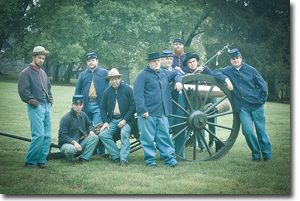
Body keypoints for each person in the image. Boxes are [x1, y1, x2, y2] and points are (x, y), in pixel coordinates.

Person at [211, 48, 272, 162]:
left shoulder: (251, 70)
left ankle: (267, 155)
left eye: (237, 58)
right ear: (230, 60)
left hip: (256, 105)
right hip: (242, 107)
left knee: (261, 131)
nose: (235, 60)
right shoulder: (228, 71)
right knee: (248, 132)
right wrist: (227, 80)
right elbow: (215, 72)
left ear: (241, 58)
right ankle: (256, 154)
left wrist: (261, 101)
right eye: (233, 59)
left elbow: (263, 86)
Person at [133, 52, 183, 167]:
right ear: (149, 62)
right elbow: (137, 95)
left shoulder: (163, 73)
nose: (157, 63)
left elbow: (176, 72)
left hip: (162, 112)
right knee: (148, 138)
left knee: (164, 136)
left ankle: (170, 159)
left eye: (158, 61)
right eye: (154, 61)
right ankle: (150, 162)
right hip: (148, 113)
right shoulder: (142, 75)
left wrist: (178, 80)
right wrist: (142, 110)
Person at [18, 46, 53, 169]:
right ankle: (30, 161)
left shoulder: (43, 72)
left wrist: (50, 100)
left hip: (46, 107)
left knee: (47, 136)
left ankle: (41, 161)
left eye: (43, 58)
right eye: (39, 58)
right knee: (39, 135)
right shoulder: (25, 72)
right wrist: (35, 103)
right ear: (33, 57)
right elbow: (23, 92)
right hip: (36, 107)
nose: (41, 60)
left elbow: (48, 87)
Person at [99, 68, 136, 166]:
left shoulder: (127, 89)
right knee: (103, 135)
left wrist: (125, 120)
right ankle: (116, 156)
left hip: (127, 120)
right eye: (111, 79)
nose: (114, 81)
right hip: (113, 120)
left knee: (124, 133)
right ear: (109, 81)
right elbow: (102, 108)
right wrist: (105, 122)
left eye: (116, 79)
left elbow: (133, 106)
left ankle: (124, 160)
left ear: (119, 78)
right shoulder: (107, 91)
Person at [75, 52, 108, 156]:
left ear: (97, 61)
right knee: (87, 128)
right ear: (87, 62)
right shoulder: (83, 74)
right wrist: (77, 105)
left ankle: (100, 151)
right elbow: (78, 91)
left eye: (93, 60)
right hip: (85, 105)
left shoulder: (104, 73)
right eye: (89, 61)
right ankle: (91, 149)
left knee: (99, 128)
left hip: (99, 105)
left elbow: (115, 81)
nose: (91, 62)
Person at [183, 52, 217, 152]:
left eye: (194, 61)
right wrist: (195, 74)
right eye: (190, 62)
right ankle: (202, 145)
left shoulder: (205, 69)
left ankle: (211, 141)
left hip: (210, 96)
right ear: (187, 64)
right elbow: (187, 84)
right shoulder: (187, 74)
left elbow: (213, 79)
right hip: (197, 100)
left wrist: (200, 72)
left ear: (197, 61)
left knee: (212, 120)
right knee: (198, 120)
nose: (192, 64)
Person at [58, 95, 99, 163]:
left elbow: (89, 124)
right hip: (67, 144)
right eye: (76, 104)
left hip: (80, 142)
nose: (78, 107)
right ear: (72, 105)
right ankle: (69, 158)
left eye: (80, 104)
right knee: (71, 150)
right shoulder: (65, 118)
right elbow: (62, 135)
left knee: (95, 137)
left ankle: (84, 158)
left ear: (83, 105)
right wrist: (74, 143)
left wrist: (91, 130)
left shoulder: (83, 115)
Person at [160, 50, 186, 158]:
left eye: (170, 59)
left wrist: (178, 80)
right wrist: (178, 77)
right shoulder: (160, 71)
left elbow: (177, 73)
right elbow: (175, 73)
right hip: (167, 105)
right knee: (166, 131)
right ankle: (166, 154)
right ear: (161, 60)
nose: (169, 61)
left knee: (181, 130)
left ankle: (180, 154)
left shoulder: (174, 70)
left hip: (180, 103)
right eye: (166, 59)